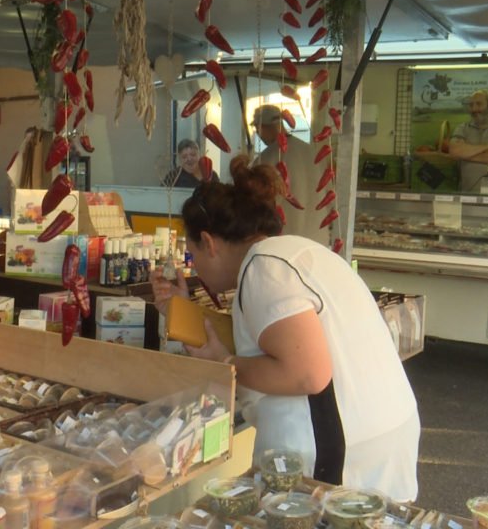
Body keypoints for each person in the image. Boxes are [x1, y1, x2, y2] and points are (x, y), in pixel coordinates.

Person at [150, 155, 419, 502]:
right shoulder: (295, 252)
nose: (196, 268)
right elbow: (275, 343)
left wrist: (227, 362)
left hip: (340, 453)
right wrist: (182, 312)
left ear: (210, 242)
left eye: (193, 255)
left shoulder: (264, 269)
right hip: (380, 429)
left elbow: (307, 373)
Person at [253, 104, 328, 245]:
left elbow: (257, 206)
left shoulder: (266, 159)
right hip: (318, 240)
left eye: (257, 129)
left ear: (261, 127)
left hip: (286, 244)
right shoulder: (313, 152)